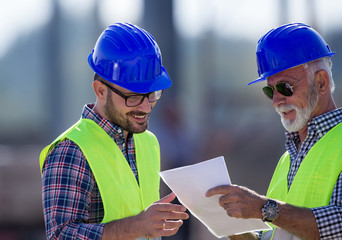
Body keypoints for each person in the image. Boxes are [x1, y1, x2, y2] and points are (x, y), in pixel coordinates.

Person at [39, 22, 188, 240]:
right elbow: (60, 236)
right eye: (133, 96)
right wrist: (136, 226)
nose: (146, 107)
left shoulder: (148, 142)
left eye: (152, 94)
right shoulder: (71, 150)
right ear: (100, 90)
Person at [206, 23, 342, 240]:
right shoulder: (287, 159)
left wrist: (263, 208)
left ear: (321, 82)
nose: (277, 101)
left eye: (285, 88)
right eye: (270, 90)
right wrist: (229, 226)